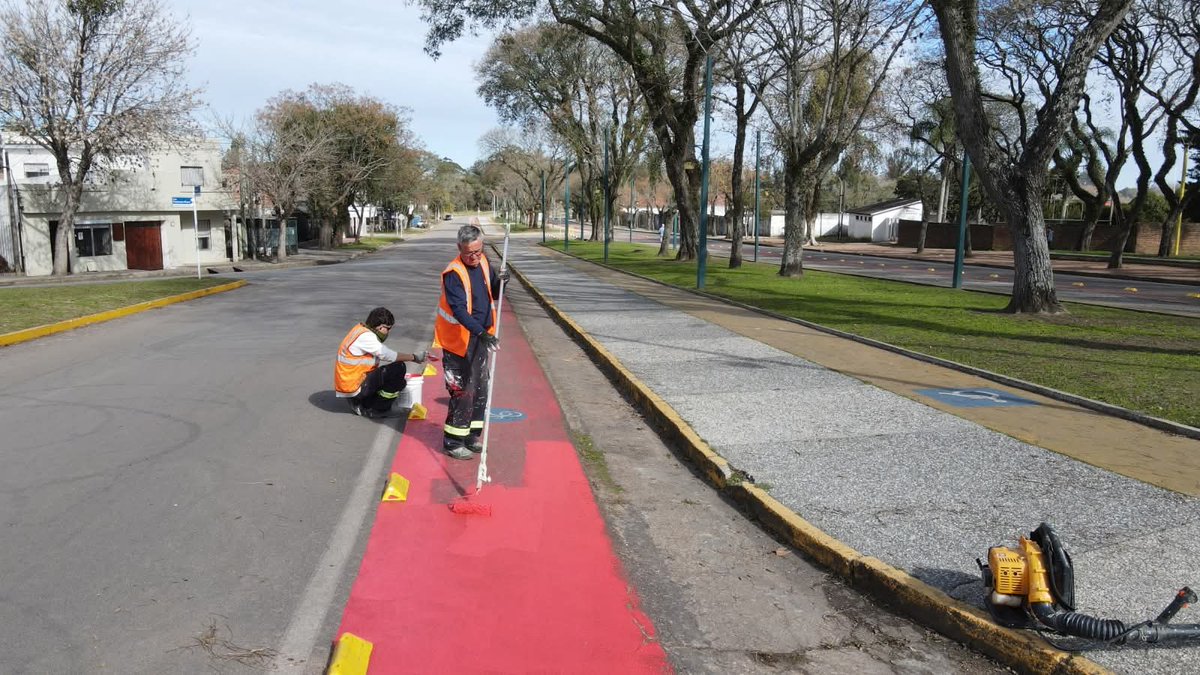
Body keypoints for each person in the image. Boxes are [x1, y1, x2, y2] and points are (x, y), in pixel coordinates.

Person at [434, 225, 507, 460]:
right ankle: (453, 441)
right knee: (461, 390)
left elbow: (494, 293)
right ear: (459, 249)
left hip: (478, 339)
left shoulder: (484, 262)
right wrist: (482, 333)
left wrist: (504, 281)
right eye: (469, 253)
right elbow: (459, 312)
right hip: (458, 343)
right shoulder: (453, 273)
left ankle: (471, 435)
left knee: (480, 389)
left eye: (478, 251)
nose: (474, 257)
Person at [334, 307, 427, 418]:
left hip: (351, 382)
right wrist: (414, 357)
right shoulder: (366, 337)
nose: (388, 332)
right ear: (380, 327)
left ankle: (362, 402)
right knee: (398, 368)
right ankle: (378, 409)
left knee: (400, 382)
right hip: (354, 385)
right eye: (388, 329)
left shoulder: (360, 329)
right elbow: (387, 355)